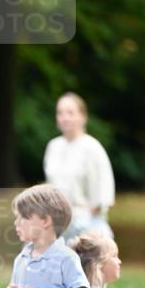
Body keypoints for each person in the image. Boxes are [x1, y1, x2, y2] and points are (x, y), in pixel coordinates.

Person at [44, 93, 115, 239]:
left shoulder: (92, 148)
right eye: (60, 113)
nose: (64, 118)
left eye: (70, 113)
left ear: (83, 116)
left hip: (87, 223)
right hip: (59, 224)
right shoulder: (53, 146)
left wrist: (84, 219)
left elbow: (103, 193)